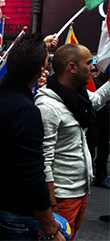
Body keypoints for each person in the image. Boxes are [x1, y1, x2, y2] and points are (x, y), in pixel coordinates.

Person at [0, 33, 65, 240]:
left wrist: (36, 49)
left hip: (4, 203)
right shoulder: (25, 111)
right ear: (40, 72)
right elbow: (33, 177)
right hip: (22, 216)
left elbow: (15, 65)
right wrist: (51, 229)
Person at [35, 44, 110, 240]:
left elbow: (98, 99)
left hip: (80, 190)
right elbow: (44, 161)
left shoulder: (78, 96)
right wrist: (51, 206)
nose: (93, 67)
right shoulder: (48, 106)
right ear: (72, 67)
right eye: (88, 63)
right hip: (62, 197)